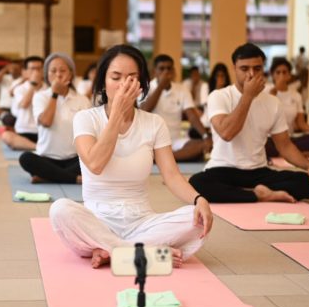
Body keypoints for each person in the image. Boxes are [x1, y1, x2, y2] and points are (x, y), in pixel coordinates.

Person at [49, 44, 213, 269]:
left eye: (131, 78)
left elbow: (172, 176)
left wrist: (199, 199)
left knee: (194, 219)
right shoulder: (85, 118)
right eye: (116, 77)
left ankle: (111, 250)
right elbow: (95, 164)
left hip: (142, 222)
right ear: (103, 82)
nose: (123, 84)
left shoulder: (154, 123)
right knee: (60, 210)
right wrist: (116, 113)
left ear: (142, 83)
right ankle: (143, 253)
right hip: (97, 221)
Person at [188, 43, 309, 203]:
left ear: (263, 69)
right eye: (244, 69)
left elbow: (285, 146)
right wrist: (248, 96)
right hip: (223, 169)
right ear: (234, 68)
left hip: (258, 172)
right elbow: (227, 133)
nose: (251, 74)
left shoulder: (273, 102)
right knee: (196, 184)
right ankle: (259, 195)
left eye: (257, 68)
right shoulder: (219, 96)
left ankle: (244, 193)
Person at [19, 53, 91, 184]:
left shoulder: (82, 100)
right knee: (26, 158)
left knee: (94, 159)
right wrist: (54, 94)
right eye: (53, 71)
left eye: (63, 70)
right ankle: (74, 179)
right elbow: (46, 122)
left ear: (71, 74)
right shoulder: (40, 97)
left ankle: (48, 176)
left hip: (74, 159)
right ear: (47, 75)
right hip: (46, 158)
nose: (58, 75)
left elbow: (88, 134)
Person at [140, 54, 211, 162]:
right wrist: (160, 87)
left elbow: (192, 116)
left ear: (173, 71)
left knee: (201, 145)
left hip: (176, 140)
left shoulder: (181, 89)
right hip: (152, 141)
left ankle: (163, 158)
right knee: (142, 149)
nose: (166, 72)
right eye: (162, 68)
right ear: (155, 71)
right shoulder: (146, 88)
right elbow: (144, 110)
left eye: (169, 68)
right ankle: (168, 157)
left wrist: (205, 136)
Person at [265, 58, 309, 157]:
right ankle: (292, 153)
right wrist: (274, 91)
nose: (281, 75)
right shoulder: (265, 90)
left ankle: (286, 152)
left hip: (288, 139)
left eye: (284, 72)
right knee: (262, 144)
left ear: (289, 75)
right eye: (278, 72)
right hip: (270, 138)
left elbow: (301, 123)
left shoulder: (296, 95)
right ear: (273, 75)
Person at [1, 56, 46, 151]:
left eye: (39, 69)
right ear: (25, 72)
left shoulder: (49, 89)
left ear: (43, 71)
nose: (36, 72)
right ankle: (38, 148)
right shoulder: (20, 88)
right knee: (6, 136)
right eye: (33, 69)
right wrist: (33, 85)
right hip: (24, 131)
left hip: (44, 131)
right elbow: (24, 104)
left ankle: (40, 147)